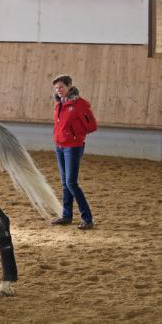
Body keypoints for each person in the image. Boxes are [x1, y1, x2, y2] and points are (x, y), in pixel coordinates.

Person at [50, 75, 97, 230]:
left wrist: (74, 133)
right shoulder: (59, 104)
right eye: (56, 88)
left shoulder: (80, 104)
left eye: (61, 87)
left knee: (71, 183)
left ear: (70, 86)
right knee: (65, 183)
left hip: (73, 147)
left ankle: (87, 218)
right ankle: (66, 216)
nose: (58, 90)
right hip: (60, 146)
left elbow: (92, 126)